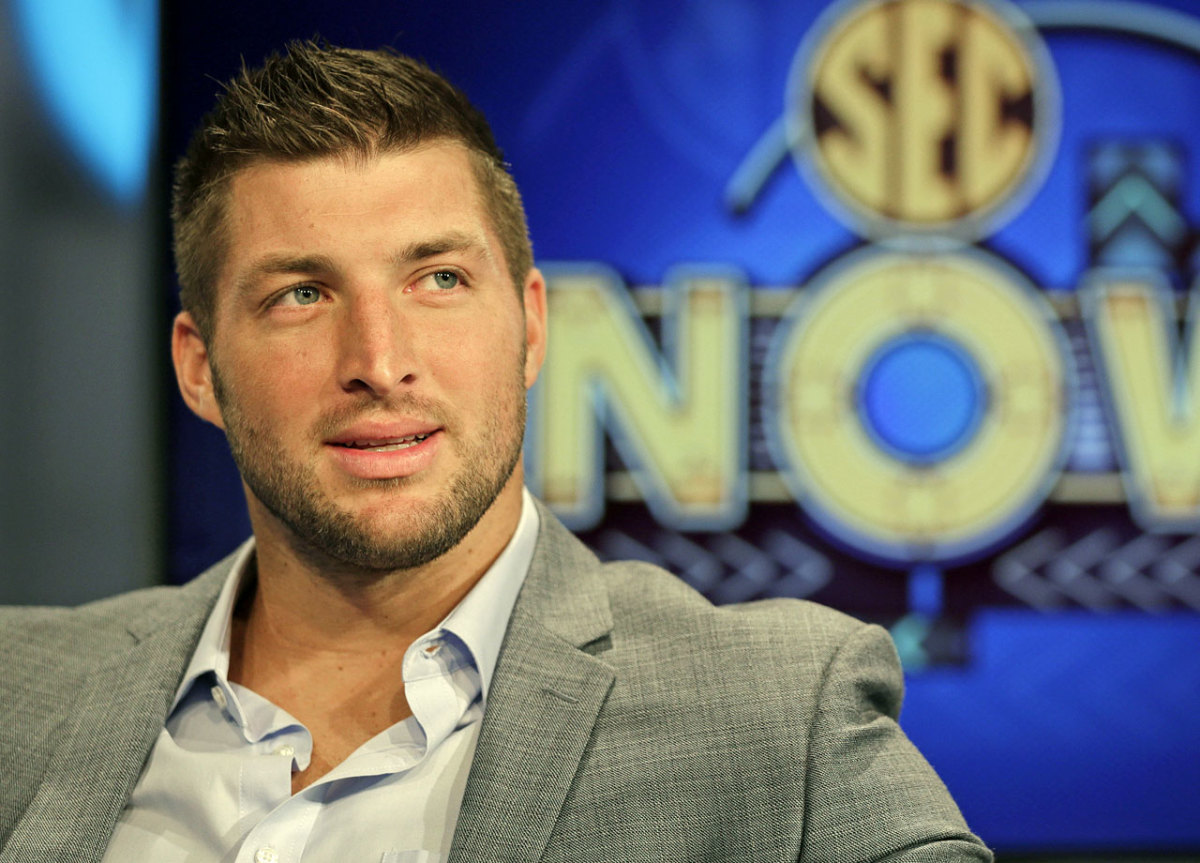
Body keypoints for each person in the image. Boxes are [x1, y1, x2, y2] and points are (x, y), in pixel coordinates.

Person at [0, 41, 991, 862]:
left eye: (437, 279)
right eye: (302, 293)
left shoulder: (778, 714)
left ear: (531, 326)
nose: (378, 362)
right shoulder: (19, 691)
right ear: (200, 367)